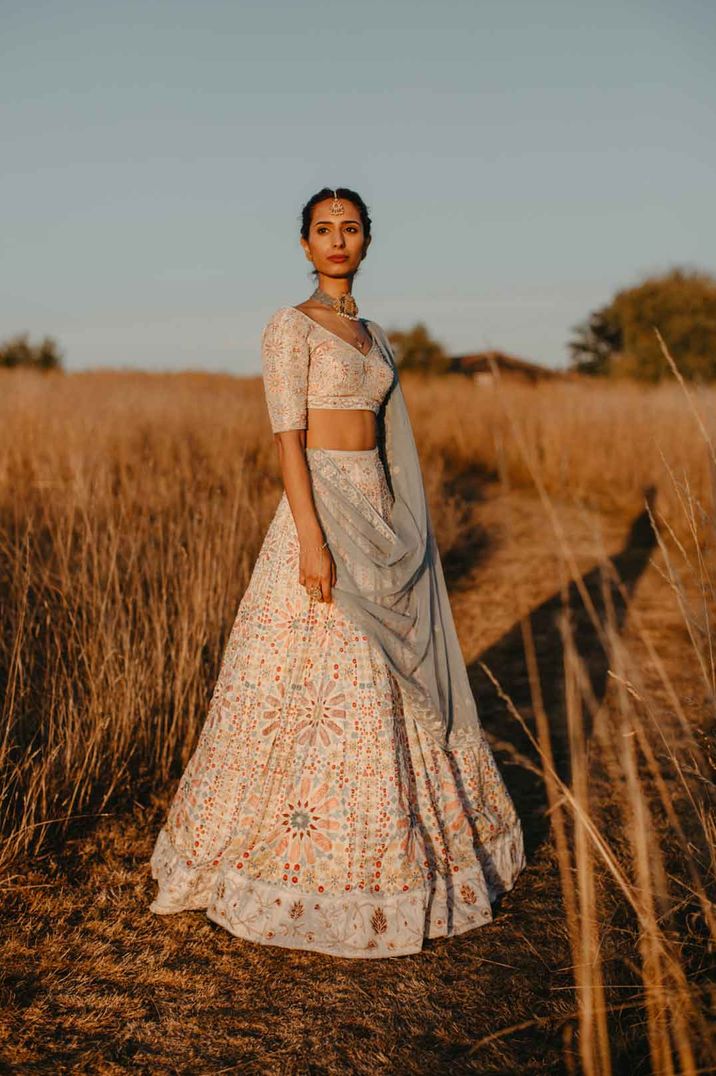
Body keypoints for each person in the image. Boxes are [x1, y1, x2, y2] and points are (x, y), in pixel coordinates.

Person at [148, 187, 526, 958]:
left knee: (388, 678)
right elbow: (288, 442)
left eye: (350, 228)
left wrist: (399, 532)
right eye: (323, 230)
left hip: (378, 512)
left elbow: (386, 443)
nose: (337, 240)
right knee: (321, 675)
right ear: (304, 245)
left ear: (367, 240)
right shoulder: (290, 329)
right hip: (317, 508)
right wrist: (313, 540)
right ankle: (286, 860)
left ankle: (403, 852)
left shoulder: (376, 338)